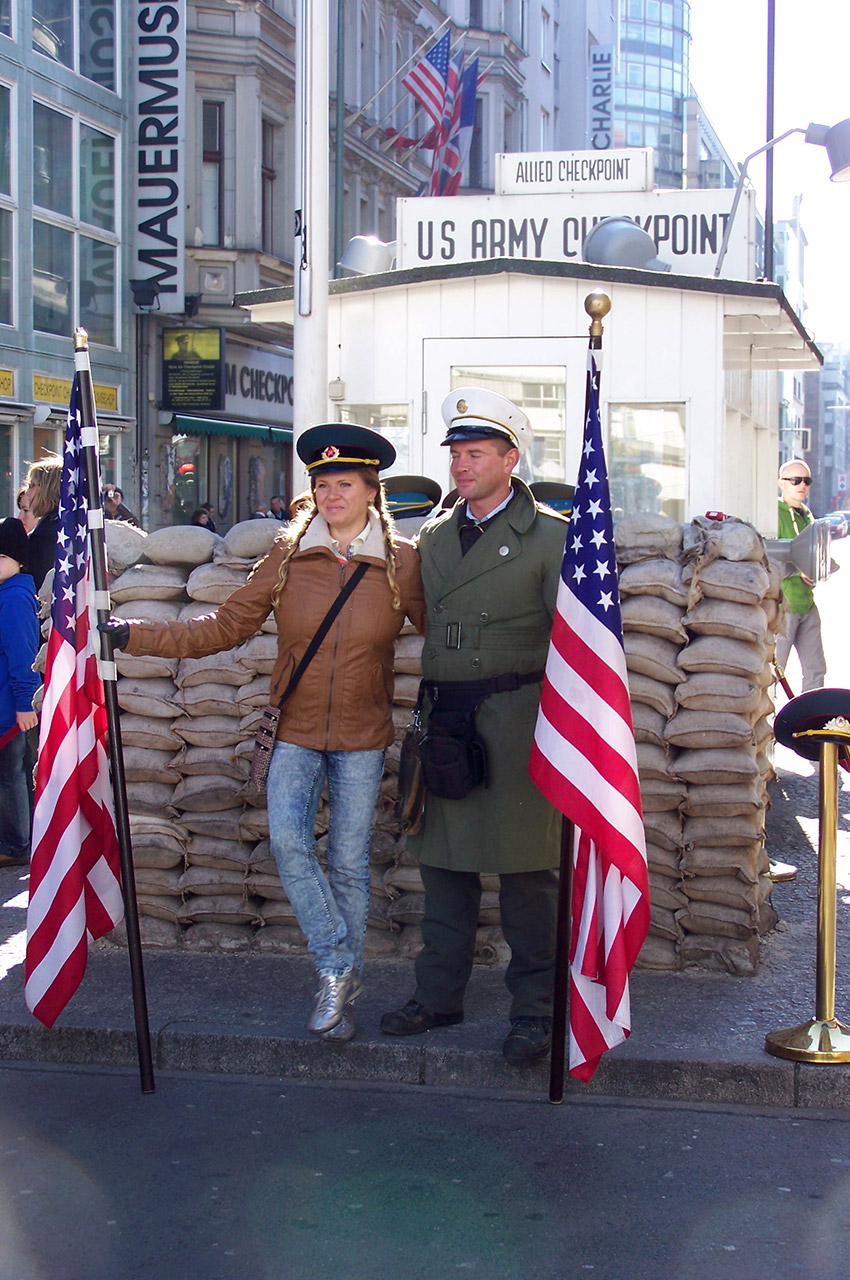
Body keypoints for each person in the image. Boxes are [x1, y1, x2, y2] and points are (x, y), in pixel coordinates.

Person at [100, 424, 426, 1041]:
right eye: (322, 484)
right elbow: (224, 627)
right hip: (295, 729)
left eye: (345, 484)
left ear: (370, 489)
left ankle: (338, 993)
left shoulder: (401, 561)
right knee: (287, 844)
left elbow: (443, 624)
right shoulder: (289, 552)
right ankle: (338, 964)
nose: (332, 495)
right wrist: (135, 632)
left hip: (363, 734)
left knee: (350, 863)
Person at [381, 388, 568, 1066]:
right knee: (444, 871)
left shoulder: (550, 537)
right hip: (446, 721)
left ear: (511, 459)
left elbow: (576, 647)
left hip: (518, 726)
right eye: (456, 454)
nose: (461, 465)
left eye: (476, 453)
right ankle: (438, 996)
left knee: (527, 881)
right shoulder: (430, 537)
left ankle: (535, 1012)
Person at [0, 518, 40, 868]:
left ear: (19, 561)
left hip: (12, 707)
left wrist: (26, 704)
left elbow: (23, 656)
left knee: (10, 774)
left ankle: (16, 845)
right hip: (7, 703)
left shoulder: (13, 598)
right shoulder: (7, 592)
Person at [775, 458, 826, 692]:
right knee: (775, 668)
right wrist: (800, 570)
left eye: (807, 480)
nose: (802, 485)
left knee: (816, 668)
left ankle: (812, 718)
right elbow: (771, 558)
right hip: (783, 606)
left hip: (807, 604)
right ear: (781, 483)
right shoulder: (774, 513)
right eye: (795, 480)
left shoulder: (807, 515)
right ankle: (767, 720)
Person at [23, 454, 63, 593]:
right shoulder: (61, 523)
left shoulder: (46, 535)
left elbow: (38, 582)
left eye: (32, 486)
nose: (27, 493)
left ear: (48, 489)